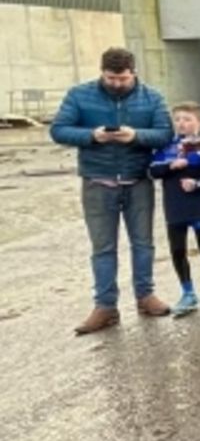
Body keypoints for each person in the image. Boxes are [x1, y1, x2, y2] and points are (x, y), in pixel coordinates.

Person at [50, 46, 174, 334]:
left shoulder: (152, 97)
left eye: (123, 79)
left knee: (143, 243)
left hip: (138, 180)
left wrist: (136, 136)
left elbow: (165, 133)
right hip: (97, 181)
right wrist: (92, 135)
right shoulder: (79, 95)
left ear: (134, 73)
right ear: (102, 72)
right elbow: (58, 130)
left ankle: (146, 296)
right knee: (103, 248)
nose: (117, 84)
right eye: (110, 78)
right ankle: (105, 306)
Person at [149, 103, 200, 314]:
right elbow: (152, 171)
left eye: (187, 119)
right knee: (177, 250)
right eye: (178, 119)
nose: (182, 123)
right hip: (174, 208)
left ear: (199, 122)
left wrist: (197, 183)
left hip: (199, 207)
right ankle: (187, 293)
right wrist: (170, 166)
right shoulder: (166, 146)